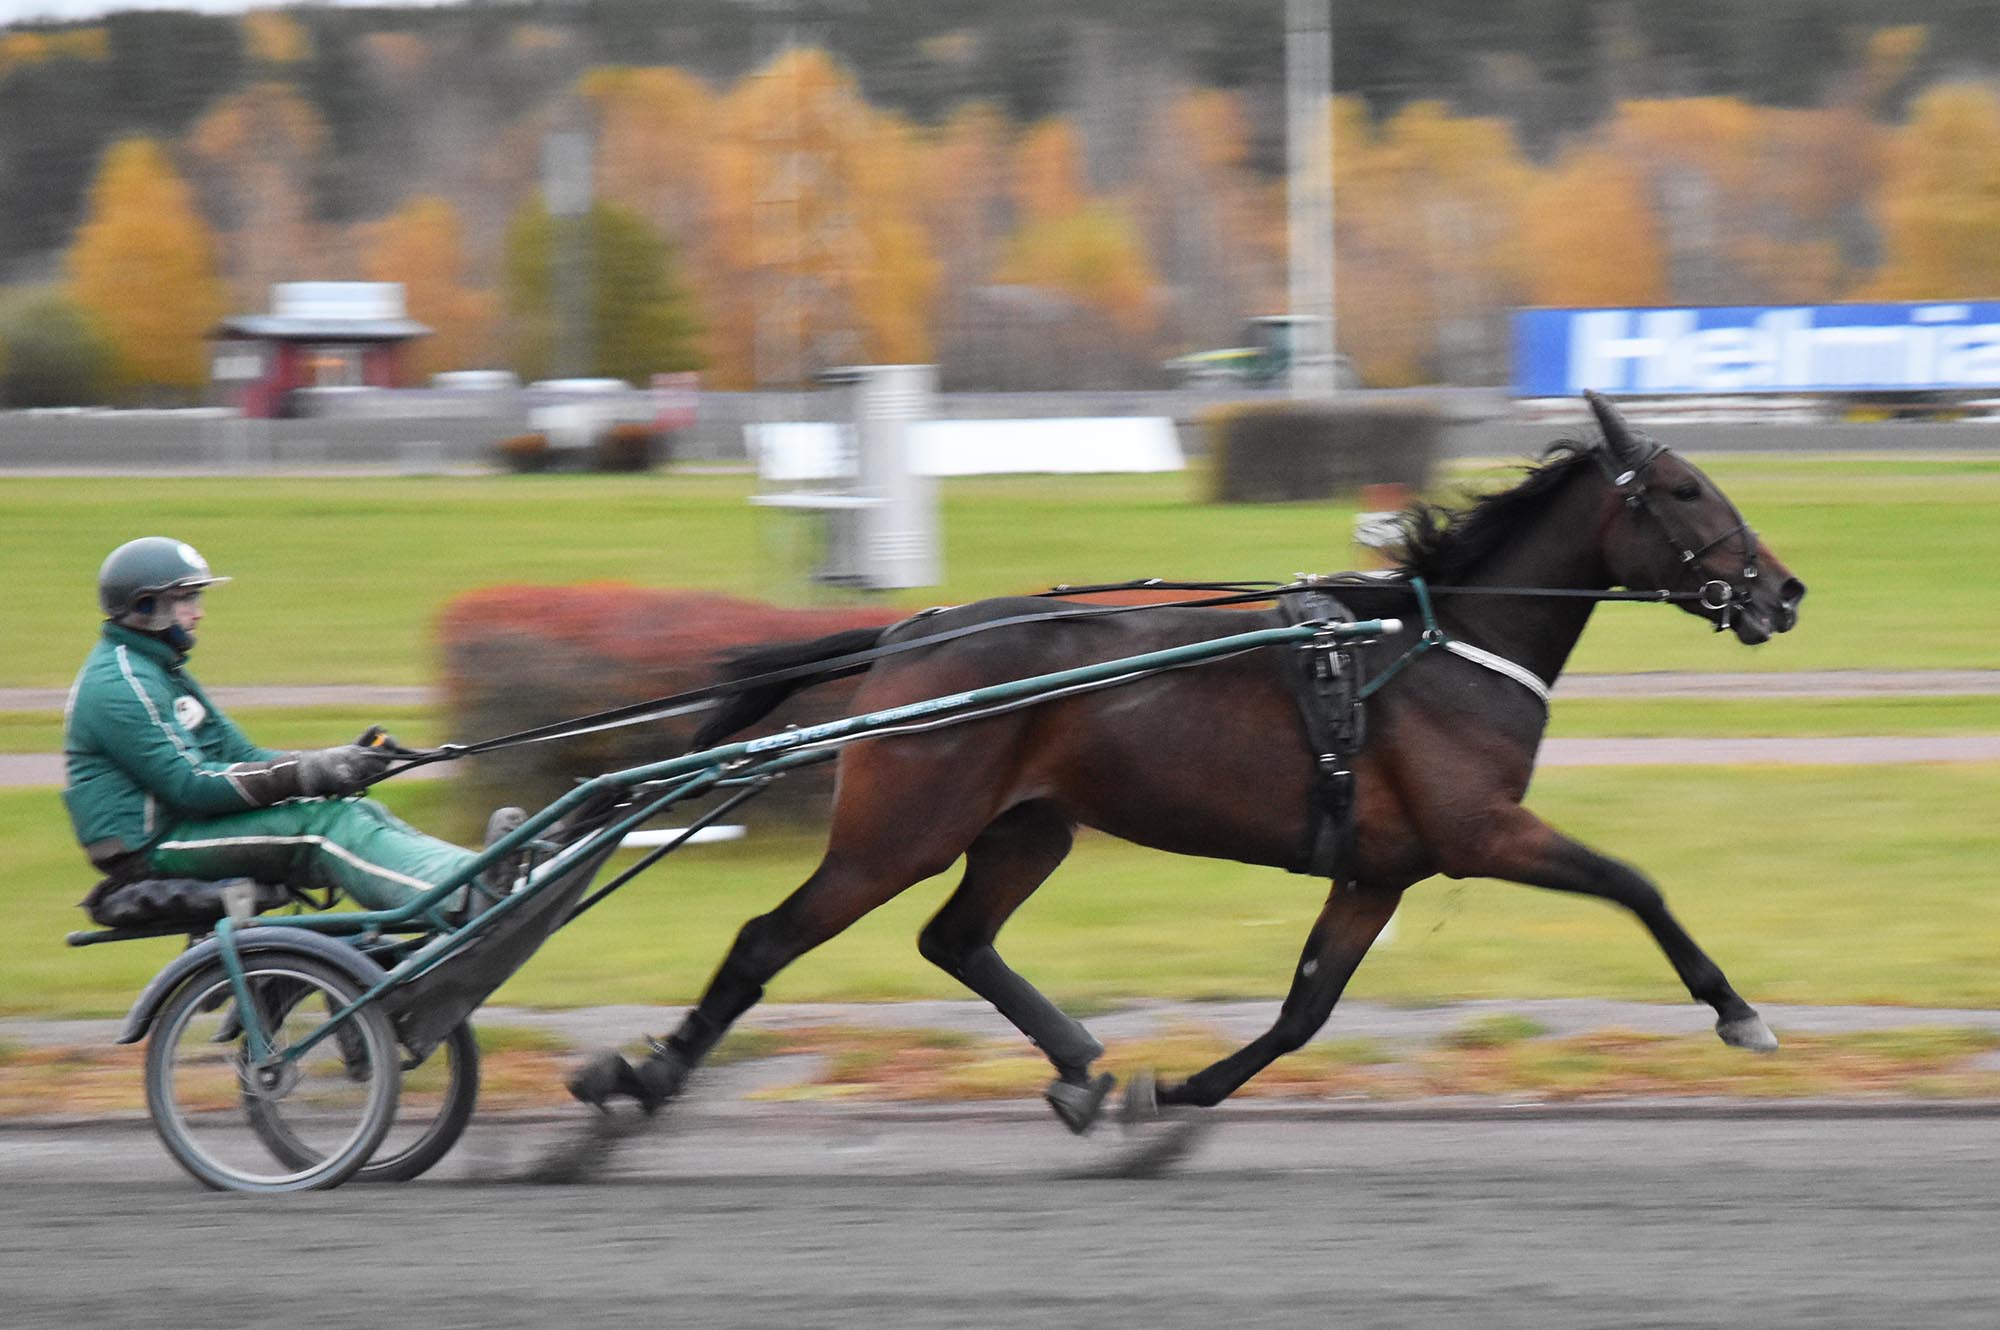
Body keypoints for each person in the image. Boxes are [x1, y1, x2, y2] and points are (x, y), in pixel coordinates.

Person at [63, 536, 519, 919]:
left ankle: (485, 874)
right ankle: (462, 901)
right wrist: (308, 773)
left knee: (359, 812)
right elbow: (192, 785)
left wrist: (337, 765)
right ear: (145, 607)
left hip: (185, 828)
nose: (198, 612)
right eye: (185, 598)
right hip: (154, 848)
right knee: (321, 828)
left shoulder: (157, 669)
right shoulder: (121, 684)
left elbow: (242, 757)